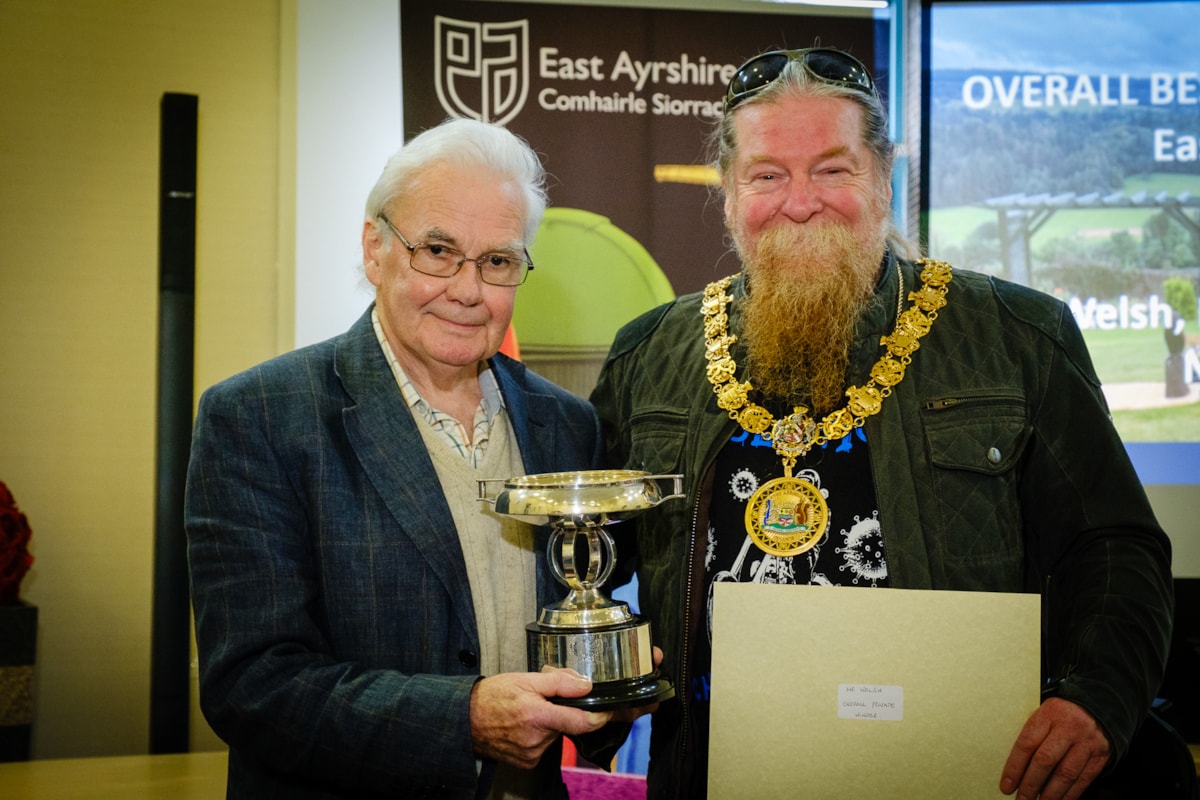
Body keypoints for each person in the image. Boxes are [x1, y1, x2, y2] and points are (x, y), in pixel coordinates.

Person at [590, 47, 1174, 800]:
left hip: (959, 772)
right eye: (768, 175)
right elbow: (594, 563)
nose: (801, 201)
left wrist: (1097, 694)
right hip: (711, 774)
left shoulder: (1020, 336)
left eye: (834, 169)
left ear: (885, 177)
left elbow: (1114, 548)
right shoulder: (649, 352)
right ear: (730, 192)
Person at [186, 118, 629, 799]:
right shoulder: (259, 417)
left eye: (498, 261)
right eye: (439, 250)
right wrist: (465, 720)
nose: (467, 288)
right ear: (375, 248)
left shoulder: (567, 426)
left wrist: (604, 700)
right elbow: (252, 685)